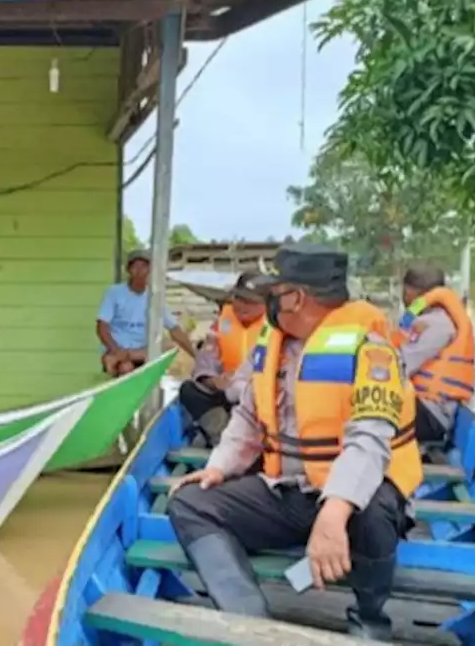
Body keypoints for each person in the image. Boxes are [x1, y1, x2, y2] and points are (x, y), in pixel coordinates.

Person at [166, 242, 423, 642]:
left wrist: (335, 512)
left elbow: (369, 441)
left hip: (355, 500)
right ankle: (251, 624)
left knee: (373, 510)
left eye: (274, 291)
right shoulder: (274, 344)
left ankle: (370, 622)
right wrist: (219, 467)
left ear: (295, 296)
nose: (269, 301)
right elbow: (248, 419)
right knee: (189, 500)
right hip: (292, 491)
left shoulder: (372, 351)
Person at [179, 270, 268, 442]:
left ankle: (253, 439)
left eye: (250, 302)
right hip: (226, 390)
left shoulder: (276, 327)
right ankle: (222, 435)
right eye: (238, 299)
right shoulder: (221, 322)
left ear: (266, 304)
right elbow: (206, 359)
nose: (242, 306)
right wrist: (213, 380)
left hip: (258, 394)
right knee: (189, 390)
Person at [396, 264, 475, 444]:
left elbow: (398, 368)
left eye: (405, 290)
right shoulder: (430, 321)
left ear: (415, 293)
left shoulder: (436, 325)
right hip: (421, 407)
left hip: (430, 415)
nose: (403, 296)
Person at [97, 249, 196, 376]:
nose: (140, 271)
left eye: (144, 266)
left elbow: (174, 329)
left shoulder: (154, 297)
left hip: (142, 351)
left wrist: (196, 356)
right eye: (135, 266)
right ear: (128, 270)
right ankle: (118, 360)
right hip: (117, 349)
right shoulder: (114, 293)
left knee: (169, 346)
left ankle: (128, 357)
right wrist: (116, 350)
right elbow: (101, 327)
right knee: (126, 368)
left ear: (150, 270)